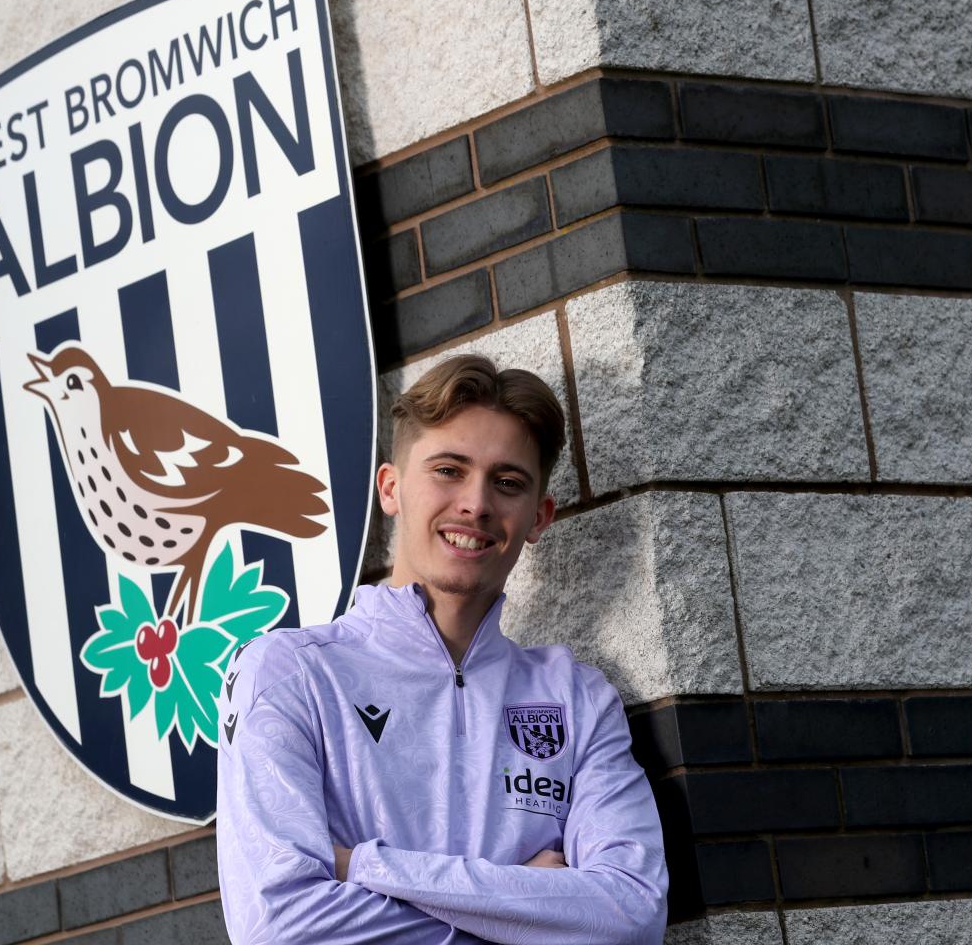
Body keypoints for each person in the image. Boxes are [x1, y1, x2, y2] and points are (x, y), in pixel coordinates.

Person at [216, 355, 668, 944]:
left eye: (507, 483)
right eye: (449, 470)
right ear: (391, 488)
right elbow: (282, 928)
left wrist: (363, 866)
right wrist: (520, 901)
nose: (476, 504)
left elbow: (630, 918)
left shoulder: (577, 699)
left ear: (539, 516)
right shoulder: (288, 673)